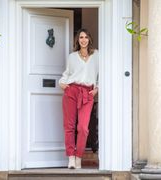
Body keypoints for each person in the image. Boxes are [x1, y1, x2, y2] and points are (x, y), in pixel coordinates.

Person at [59, 29, 99, 169]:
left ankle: (78, 157)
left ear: (89, 39)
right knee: (69, 127)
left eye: (86, 37)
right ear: (78, 40)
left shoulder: (97, 55)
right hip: (72, 91)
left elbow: (101, 74)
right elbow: (67, 73)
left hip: (87, 93)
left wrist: (97, 89)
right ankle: (71, 157)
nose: (83, 40)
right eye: (81, 37)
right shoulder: (72, 56)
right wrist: (62, 83)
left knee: (83, 128)